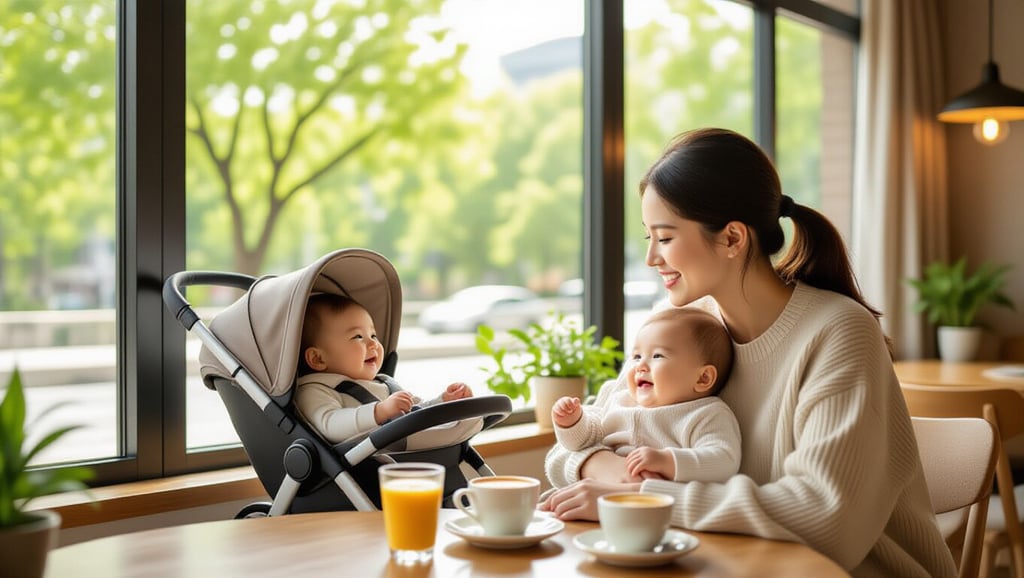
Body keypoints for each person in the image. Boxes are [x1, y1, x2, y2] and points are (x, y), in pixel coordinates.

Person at [540, 128, 956, 577]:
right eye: (649, 239)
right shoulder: (680, 327)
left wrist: (639, 497)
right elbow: (568, 454)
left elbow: (826, 519)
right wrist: (616, 475)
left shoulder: (838, 332)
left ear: (733, 238)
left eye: (664, 238)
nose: (652, 260)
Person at [551, 307, 740, 482]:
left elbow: (724, 460)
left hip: (649, 506)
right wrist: (572, 422)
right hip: (597, 495)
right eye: (636, 357)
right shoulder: (621, 400)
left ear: (703, 378)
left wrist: (668, 461)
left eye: (657, 356)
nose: (640, 366)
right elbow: (582, 443)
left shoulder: (706, 414)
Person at [294, 293, 479, 446]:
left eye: (373, 334)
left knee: (458, 417)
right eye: (358, 336)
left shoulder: (383, 383)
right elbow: (330, 425)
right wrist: (378, 413)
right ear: (318, 358)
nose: (373, 343)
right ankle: (463, 422)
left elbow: (415, 410)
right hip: (375, 457)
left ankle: (460, 416)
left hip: (407, 442)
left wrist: (443, 401)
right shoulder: (315, 389)